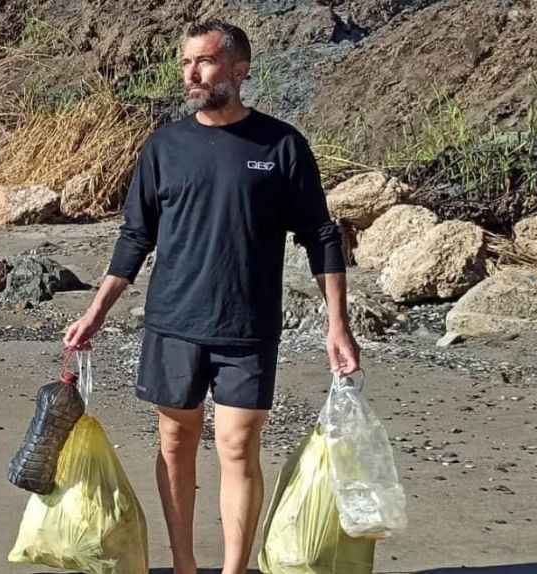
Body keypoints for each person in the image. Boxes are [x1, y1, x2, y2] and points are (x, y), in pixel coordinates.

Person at [63, 19, 359, 574]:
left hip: (247, 325)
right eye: (185, 62)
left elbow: (320, 235)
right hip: (174, 321)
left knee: (237, 446)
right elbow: (135, 236)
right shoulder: (165, 146)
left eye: (204, 61)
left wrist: (336, 324)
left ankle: (233, 570)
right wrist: (96, 311)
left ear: (240, 70)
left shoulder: (282, 145)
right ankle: (183, 564)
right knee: (175, 441)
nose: (191, 73)